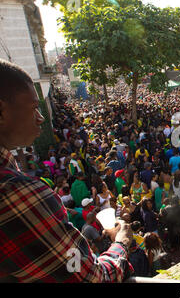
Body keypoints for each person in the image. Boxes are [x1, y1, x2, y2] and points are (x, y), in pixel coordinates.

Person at [0, 59, 133, 282]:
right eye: (34, 108)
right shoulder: (14, 192)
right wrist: (121, 242)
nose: (41, 117)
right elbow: (93, 278)